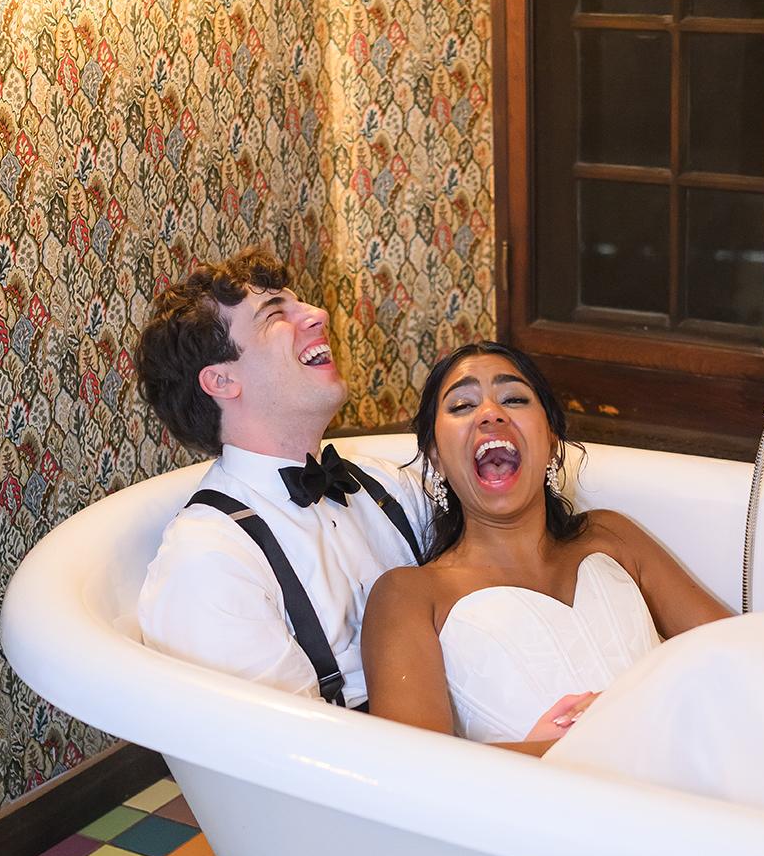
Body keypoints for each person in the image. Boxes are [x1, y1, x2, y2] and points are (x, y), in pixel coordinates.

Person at [361, 342, 731, 753]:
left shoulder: (611, 536)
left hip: (691, 774)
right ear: (436, 459)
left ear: (552, 443)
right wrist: (556, 751)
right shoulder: (408, 596)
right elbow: (415, 773)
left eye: (514, 399)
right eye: (463, 405)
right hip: (544, 810)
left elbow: (738, 654)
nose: (490, 413)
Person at [136, 247, 428, 708]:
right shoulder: (209, 562)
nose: (319, 314)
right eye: (275, 314)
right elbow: (283, 757)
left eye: (302, 303)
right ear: (222, 381)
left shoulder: (387, 485)